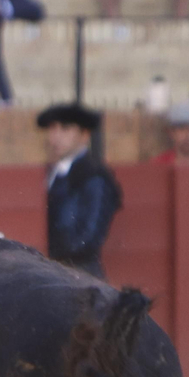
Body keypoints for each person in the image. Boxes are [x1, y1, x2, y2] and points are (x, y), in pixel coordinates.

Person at [38, 102, 121, 278]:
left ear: (84, 135)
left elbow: (88, 238)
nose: (56, 136)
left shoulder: (94, 176)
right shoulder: (52, 173)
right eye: (53, 129)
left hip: (79, 274)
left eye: (65, 129)